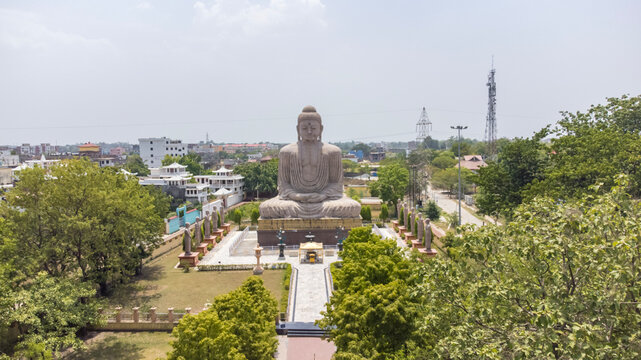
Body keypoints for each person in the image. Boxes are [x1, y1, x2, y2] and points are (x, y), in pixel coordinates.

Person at [259, 106, 361, 219]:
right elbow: (283, 185)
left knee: (352, 207)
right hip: (295, 202)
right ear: (297, 129)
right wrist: (297, 196)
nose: (309, 131)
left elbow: (336, 184)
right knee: (266, 208)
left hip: (324, 200)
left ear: (321, 129)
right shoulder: (286, 152)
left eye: (313, 128)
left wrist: (322, 196)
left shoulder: (333, 151)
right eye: (304, 128)